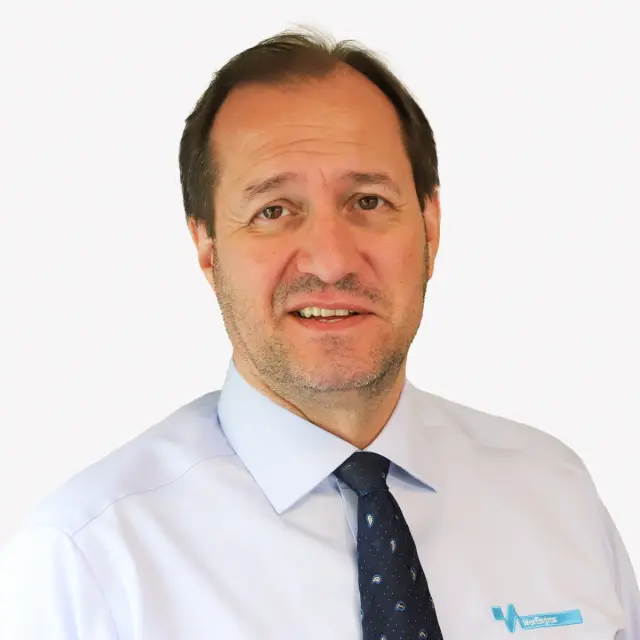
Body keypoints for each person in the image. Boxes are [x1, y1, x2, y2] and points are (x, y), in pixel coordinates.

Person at [0, 26, 638, 639]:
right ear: (207, 247)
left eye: (368, 202)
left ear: (430, 226)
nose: (331, 261)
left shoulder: (556, 495)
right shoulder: (91, 560)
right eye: (273, 210)